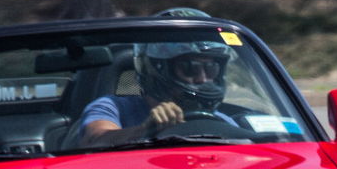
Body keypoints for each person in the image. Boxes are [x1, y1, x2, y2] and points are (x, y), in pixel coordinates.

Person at [78, 40, 238, 146]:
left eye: (211, 68)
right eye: (190, 67)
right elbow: (94, 140)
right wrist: (145, 131)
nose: (202, 78)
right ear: (157, 68)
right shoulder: (112, 107)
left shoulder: (220, 120)